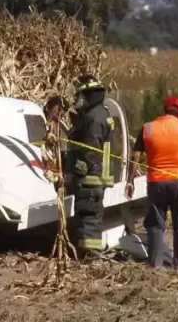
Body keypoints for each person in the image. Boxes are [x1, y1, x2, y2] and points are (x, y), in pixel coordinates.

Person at [125, 95, 178, 269]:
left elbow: (135, 155)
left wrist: (130, 180)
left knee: (156, 225)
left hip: (156, 182)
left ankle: (155, 265)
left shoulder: (148, 128)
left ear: (163, 110)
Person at [64, 74, 115, 258]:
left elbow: (90, 150)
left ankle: (90, 256)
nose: (77, 100)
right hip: (98, 177)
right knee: (90, 217)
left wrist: (76, 169)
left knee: (88, 218)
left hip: (91, 177)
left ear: (88, 95)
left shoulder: (94, 118)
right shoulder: (103, 113)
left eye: (80, 96)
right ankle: (89, 254)